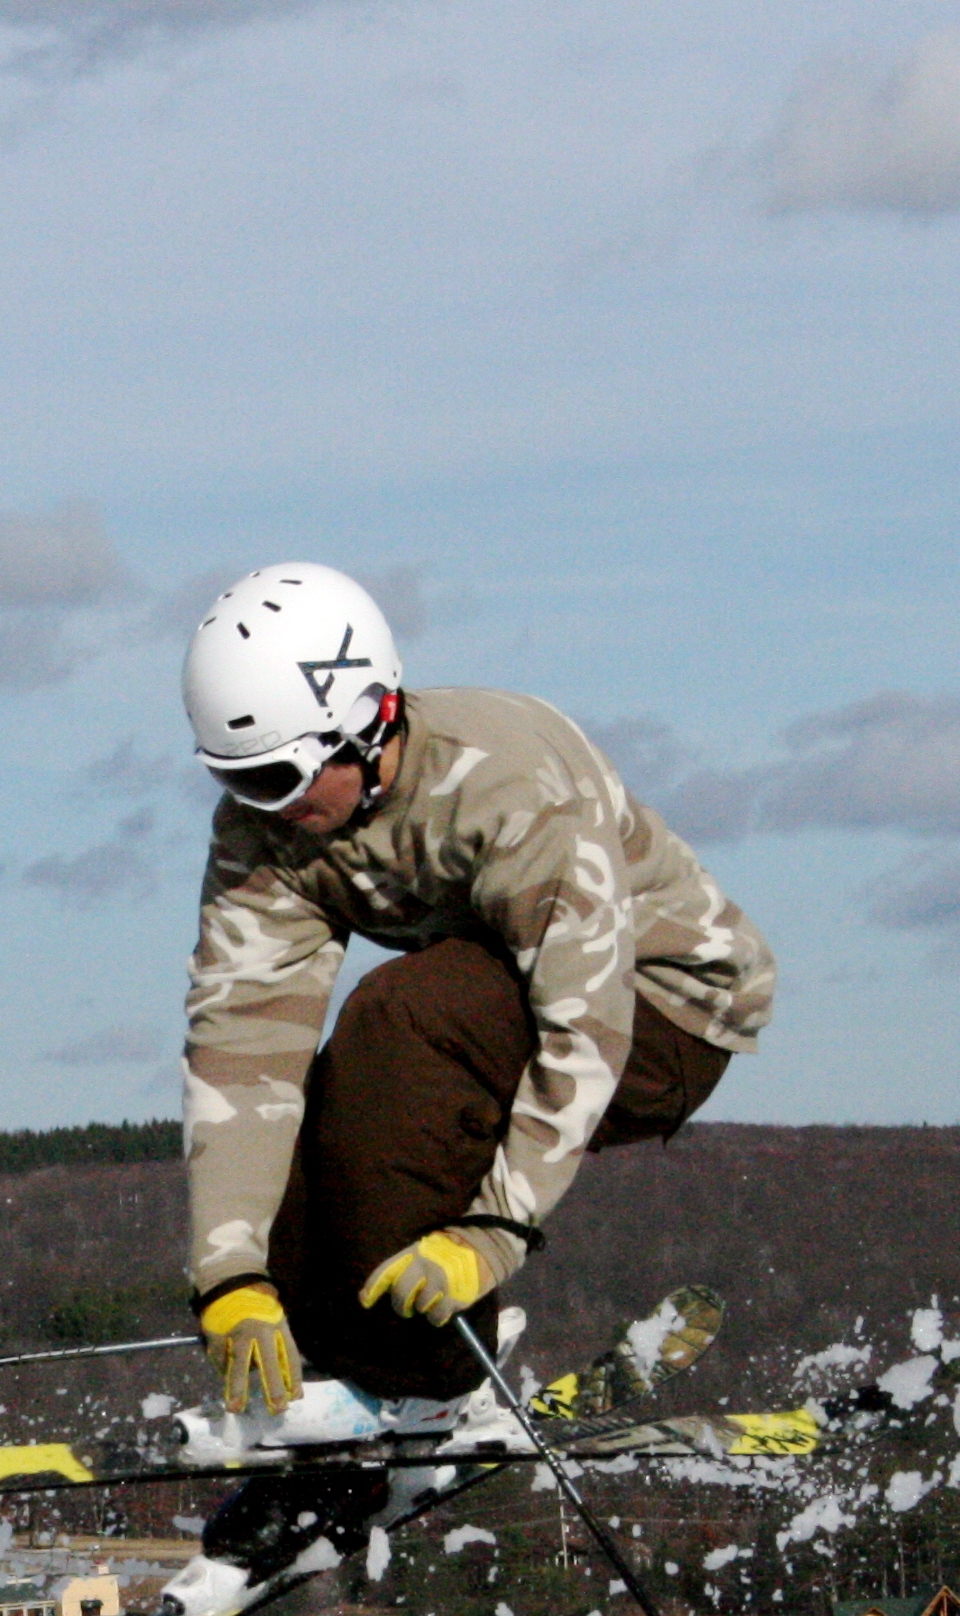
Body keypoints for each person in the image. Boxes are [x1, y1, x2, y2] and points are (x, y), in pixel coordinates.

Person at [179, 562, 773, 1433]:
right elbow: (242, 1049)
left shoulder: (509, 787)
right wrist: (231, 1273)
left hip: (662, 1014)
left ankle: (427, 1378)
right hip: (507, 999)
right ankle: (319, 1375)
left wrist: (493, 1232)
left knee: (403, 1019)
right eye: (238, 780)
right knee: (322, 1097)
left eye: (279, 777)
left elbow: (585, 1025)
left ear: (372, 721)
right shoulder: (267, 832)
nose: (268, 805)